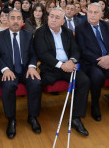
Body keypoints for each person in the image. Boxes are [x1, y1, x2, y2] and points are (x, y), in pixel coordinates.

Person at [34, 8, 90, 136]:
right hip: (50, 68)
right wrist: (62, 65)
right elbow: (43, 54)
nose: (53, 19)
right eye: (51, 16)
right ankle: (34, 115)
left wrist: (71, 61)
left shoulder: (68, 32)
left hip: (68, 66)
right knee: (35, 84)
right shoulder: (40, 32)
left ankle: (76, 118)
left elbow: (76, 50)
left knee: (84, 81)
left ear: (63, 21)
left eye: (57, 17)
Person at [0, 10, 41, 139]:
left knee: (36, 83)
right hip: (9, 69)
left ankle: (32, 117)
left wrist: (32, 67)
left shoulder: (28, 35)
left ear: (22, 22)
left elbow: (33, 54)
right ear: (7, 21)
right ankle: (11, 119)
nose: (15, 21)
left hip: (25, 69)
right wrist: (5, 69)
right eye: (12, 18)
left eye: (18, 18)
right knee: (8, 86)